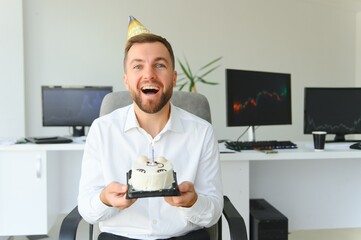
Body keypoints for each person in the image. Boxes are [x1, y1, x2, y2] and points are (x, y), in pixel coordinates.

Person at [78, 17, 223, 240]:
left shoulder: (201, 132)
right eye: (138, 66)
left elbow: (213, 212)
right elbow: (87, 210)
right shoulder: (102, 130)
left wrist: (193, 202)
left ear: (173, 78)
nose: (149, 75)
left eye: (160, 65)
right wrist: (105, 198)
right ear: (126, 80)